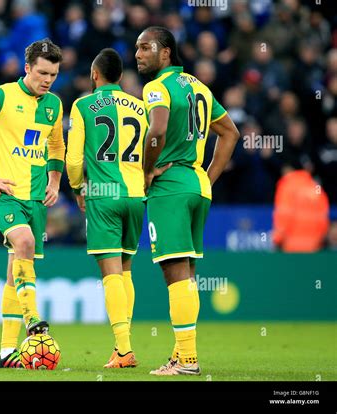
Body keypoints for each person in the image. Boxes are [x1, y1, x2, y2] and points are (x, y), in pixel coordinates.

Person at [135, 27, 240, 375]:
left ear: (165, 53)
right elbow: (230, 133)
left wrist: (148, 172)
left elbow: (158, 130)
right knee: (188, 274)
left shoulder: (157, 88)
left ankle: (189, 361)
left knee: (175, 273)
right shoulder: (199, 86)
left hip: (171, 187)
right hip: (196, 185)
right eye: (136, 48)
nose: (138, 54)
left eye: (145, 47)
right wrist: (206, 179)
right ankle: (182, 356)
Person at [0, 39, 65, 368]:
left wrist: (55, 180)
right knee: (25, 241)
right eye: (42, 73)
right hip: (4, 195)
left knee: (13, 274)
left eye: (54, 74)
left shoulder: (54, 105)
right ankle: (32, 318)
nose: (47, 80)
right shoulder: (0, 95)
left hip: (35, 200)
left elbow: (56, 145)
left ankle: (6, 352)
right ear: (27, 68)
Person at [66, 48, 148, 368]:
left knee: (111, 273)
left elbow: (74, 160)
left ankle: (125, 350)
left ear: (95, 75)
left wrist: (78, 187)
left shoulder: (83, 105)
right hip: (136, 196)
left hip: (103, 194)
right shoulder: (141, 108)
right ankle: (121, 347)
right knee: (126, 270)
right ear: (122, 77)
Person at [272, 162, 329, 252]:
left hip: (291, 247)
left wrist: (277, 239)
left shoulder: (287, 186)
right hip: (313, 247)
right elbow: (323, 219)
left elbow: (284, 216)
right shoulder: (316, 187)